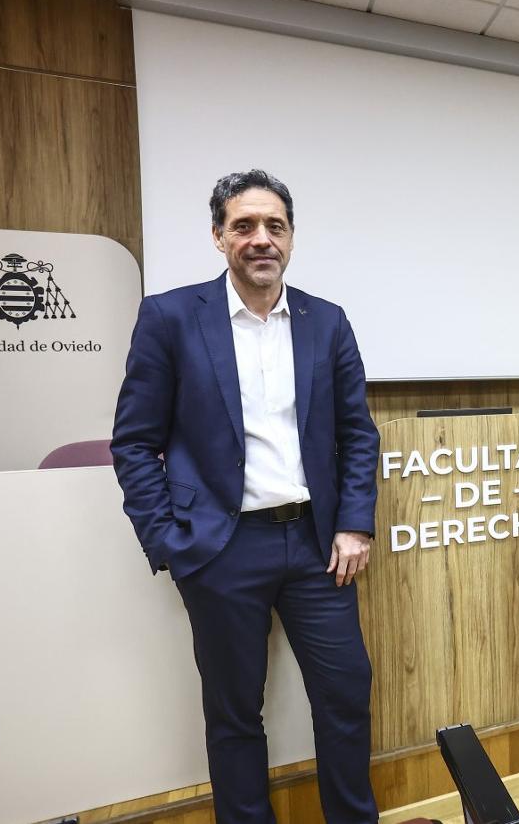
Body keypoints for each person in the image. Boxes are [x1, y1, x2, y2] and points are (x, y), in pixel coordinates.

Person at [111, 169, 381, 823]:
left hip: (319, 549)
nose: (261, 239)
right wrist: (173, 543)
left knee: (345, 694)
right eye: (244, 226)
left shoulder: (327, 321)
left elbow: (358, 434)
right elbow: (133, 442)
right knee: (235, 716)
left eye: (274, 226)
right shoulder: (171, 318)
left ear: (291, 238)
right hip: (222, 551)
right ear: (218, 236)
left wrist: (355, 525)